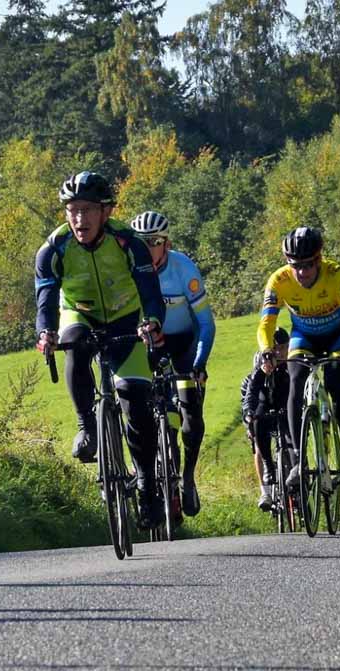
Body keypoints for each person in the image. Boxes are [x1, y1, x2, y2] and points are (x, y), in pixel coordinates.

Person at [35, 172, 168, 529]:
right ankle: (86, 428)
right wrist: (45, 332)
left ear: (106, 212)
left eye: (88, 210)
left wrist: (152, 320)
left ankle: (146, 486)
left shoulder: (128, 242)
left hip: (127, 318)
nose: (80, 219)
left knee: (135, 399)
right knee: (74, 346)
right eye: (73, 210)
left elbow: (150, 292)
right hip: (80, 312)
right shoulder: (54, 247)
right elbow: (46, 297)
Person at [257, 226, 340, 491]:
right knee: (295, 379)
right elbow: (266, 324)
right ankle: (297, 459)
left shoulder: (337, 275)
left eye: (308, 265)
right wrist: (266, 350)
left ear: (319, 259)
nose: (302, 272)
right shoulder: (279, 280)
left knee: (337, 383)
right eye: (296, 266)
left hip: (337, 335)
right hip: (303, 335)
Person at [131, 211, 215, 517]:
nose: (148, 247)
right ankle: (151, 477)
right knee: (146, 409)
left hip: (184, 344)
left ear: (166, 244)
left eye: (154, 242)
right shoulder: (129, 269)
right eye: (142, 242)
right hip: (149, 344)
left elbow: (206, 323)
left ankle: (187, 478)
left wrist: (199, 361)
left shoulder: (183, 269)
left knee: (189, 419)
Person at [242, 329, 290, 510]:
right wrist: (248, 416)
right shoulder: (259, 368)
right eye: (276, 349)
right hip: (264, 411)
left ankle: (299, 477)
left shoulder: (289, 366)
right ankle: (267, 484)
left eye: (284, 348)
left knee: (293, 435)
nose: (279, 353)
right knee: (257, 430)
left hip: (285, 411)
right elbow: (250, 396)